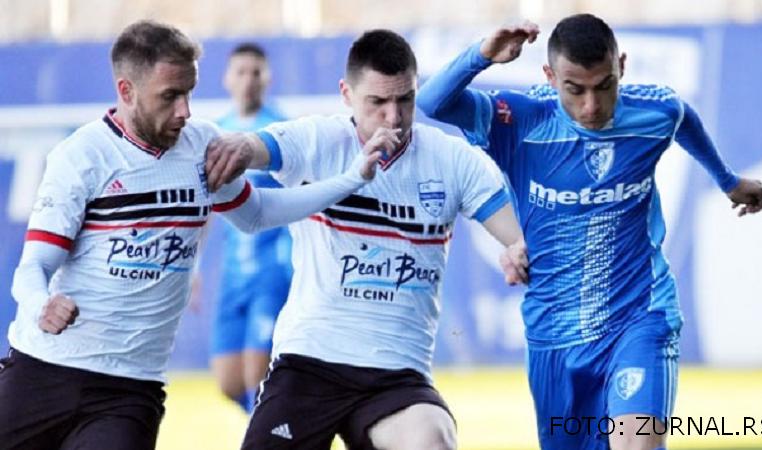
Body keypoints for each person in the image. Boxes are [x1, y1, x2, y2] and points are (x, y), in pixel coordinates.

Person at [0, 20, 386, 450]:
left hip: (128, 391)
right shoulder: (81, 157)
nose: (184, 111)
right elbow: (34, 265)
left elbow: (258, 213)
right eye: (170, 96)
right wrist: (41, 304)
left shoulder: (202, 146)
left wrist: (350, 179)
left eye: (189, 93)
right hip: (43, 372)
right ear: (126, 91)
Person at [416, 14, 762, 450]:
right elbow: (432, 102)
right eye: (575, 90)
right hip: (554, 334)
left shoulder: (654, 111)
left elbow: (683, 117)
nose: (591, 106)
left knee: (636, 443)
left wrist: (728, 181)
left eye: (604, 86)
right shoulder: (521, 121)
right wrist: (483, 54)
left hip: (640, 317)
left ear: (622, 66)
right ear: (550, 77)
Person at [205, 29, 524, 450]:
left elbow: (515, 237)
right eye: (377, 102)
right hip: (309, 363)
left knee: (434, 441)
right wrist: (240, 148)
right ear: (346, 94)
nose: (393, 118)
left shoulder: (452, 159)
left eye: (405, 100)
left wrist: (516, 251)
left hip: (396, 376)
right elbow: (257, 146)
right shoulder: (317, 139)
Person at [210, 42, 293, 413]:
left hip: (273, 269)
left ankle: (271, 434)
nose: (248, 80)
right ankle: (281, 428)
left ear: (268, 78)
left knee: (257, 378)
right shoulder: (217, 133)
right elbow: (206, 206)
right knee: (228, 383)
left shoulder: (280, 131)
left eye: (256, 72)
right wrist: (194, 270)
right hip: (233, 274)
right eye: (241, 72)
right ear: (227, 78)